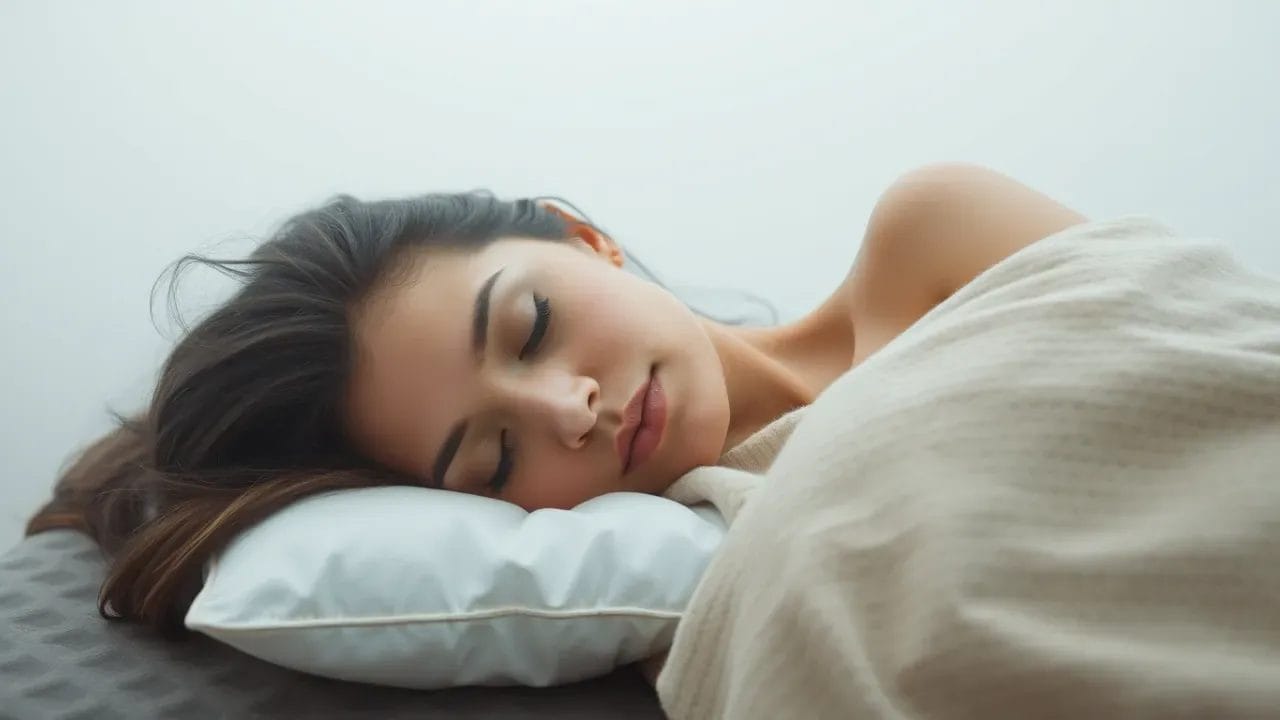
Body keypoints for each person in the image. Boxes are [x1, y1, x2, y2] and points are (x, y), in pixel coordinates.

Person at [25, 162, 1085, 637]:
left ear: (583, 240)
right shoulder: (686, 563)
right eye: (491, 461)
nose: (567, 411)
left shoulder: (932, 239)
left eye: (527, 327)